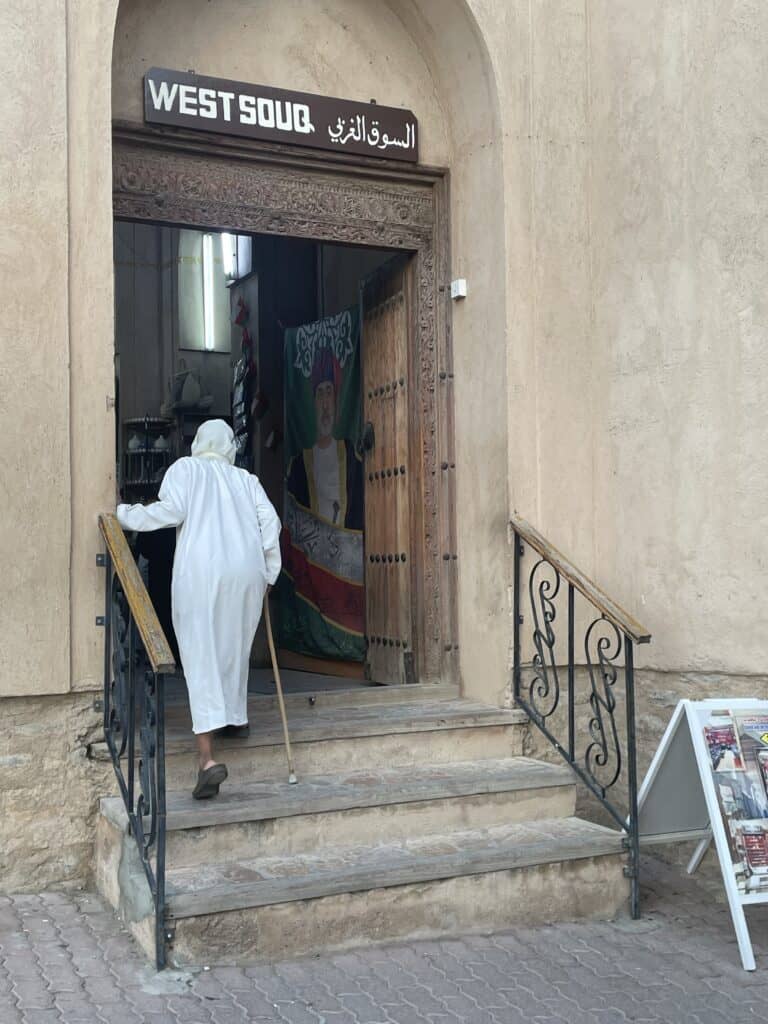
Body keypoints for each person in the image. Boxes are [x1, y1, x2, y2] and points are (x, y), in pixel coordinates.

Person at [117, 419, 281, 800]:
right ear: (228, 446)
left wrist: (123, 514)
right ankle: (235, 718)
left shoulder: (185, 469)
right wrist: (270, 572)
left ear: (199, 444)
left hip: (202, 573)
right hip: (246, 572)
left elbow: (168, 512)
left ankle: (207, 759)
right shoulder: (247, 479)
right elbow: (269, 524)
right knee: (233, 648)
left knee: (201, 654)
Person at [286, 346, 363, 529]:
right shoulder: (299, 466)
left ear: (336, 400)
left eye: (329, 391)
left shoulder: (351, 456)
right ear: (314, 403)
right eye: (320, 393)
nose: (325, 404)